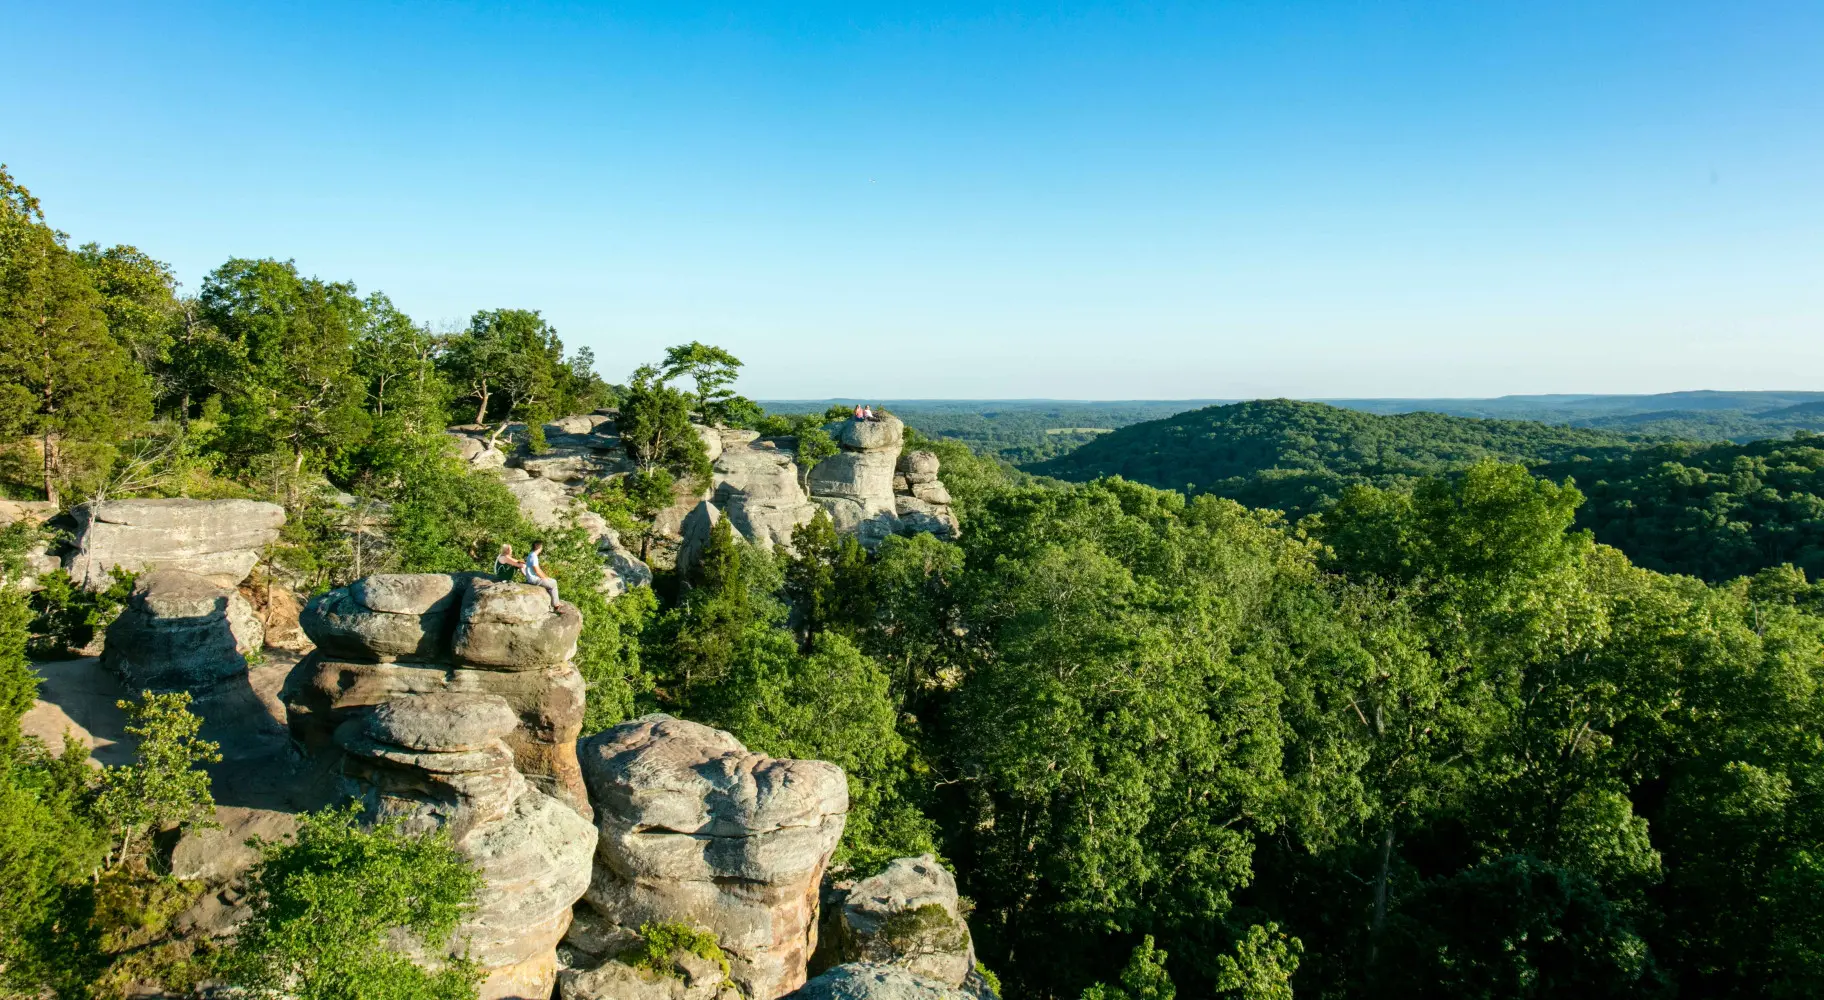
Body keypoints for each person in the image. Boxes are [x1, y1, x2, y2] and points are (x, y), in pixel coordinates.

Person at [523, 539, 560, 610]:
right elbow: (537, 571)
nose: (541, 548)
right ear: (538, 547)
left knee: (551, 580)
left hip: (531, 578)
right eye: (541, 546)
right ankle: (556, 605)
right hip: (534, 579)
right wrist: (545, 578)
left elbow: (539, 569)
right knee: (554, 583)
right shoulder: (534, 557)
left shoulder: (531, 554)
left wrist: (546, 577)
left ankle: (553, 602)